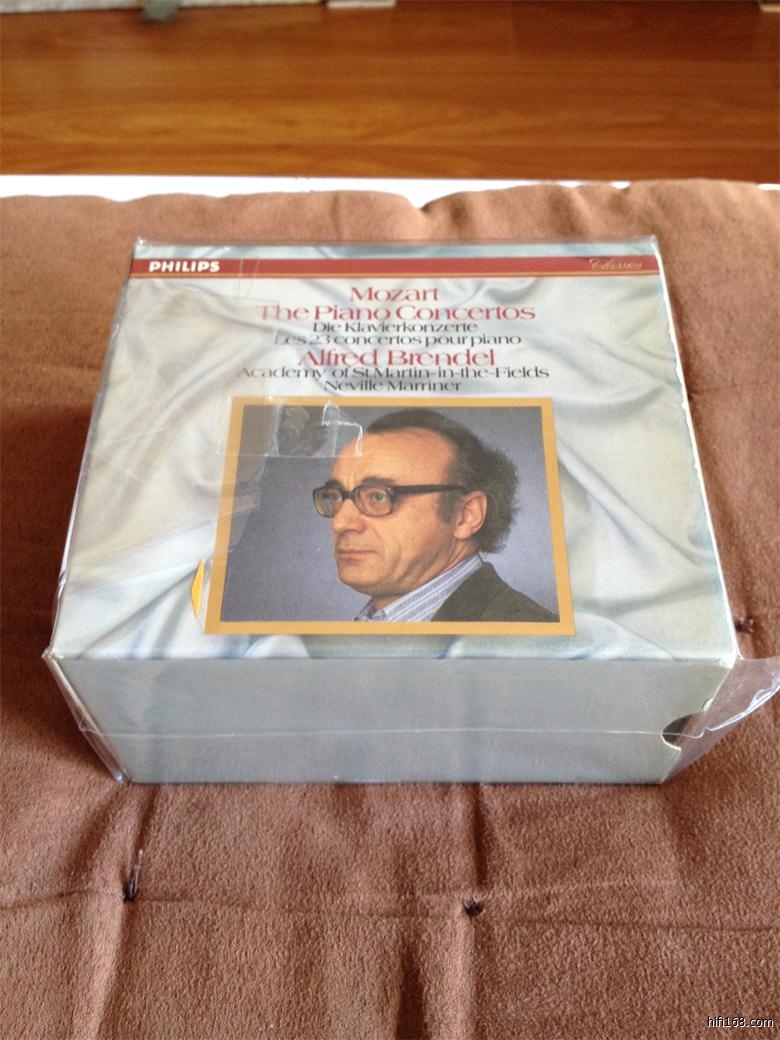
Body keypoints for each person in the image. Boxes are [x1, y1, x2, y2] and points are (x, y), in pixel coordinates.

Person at [312, 408, 557, 623]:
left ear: (465, 516)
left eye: (378, 496)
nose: (340, 522)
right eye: (335, 497)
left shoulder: (527, 633)